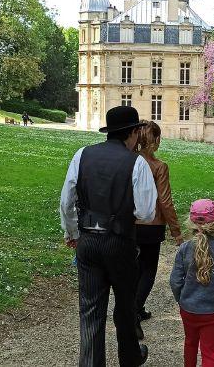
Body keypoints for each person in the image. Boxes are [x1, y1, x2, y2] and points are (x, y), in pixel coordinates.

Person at [59, 106, 154, 367]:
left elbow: (66, 201)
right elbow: (146, 212)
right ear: (133, 132)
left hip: (88, 241)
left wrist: (73, 233)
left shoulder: (82, 155)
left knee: (90, 311)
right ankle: (130, 359)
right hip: (119, 242)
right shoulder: (137, 163)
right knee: (125, 306)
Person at [170, 199, 214, 367]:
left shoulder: (184, 249)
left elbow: (175, 281)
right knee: (210, 352)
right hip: (213, 311)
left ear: (191, 222)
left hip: (189, 308)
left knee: (190, 344)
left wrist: (182, 299)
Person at [134, 121, 183, 339]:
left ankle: (136, 308)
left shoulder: (130, 162)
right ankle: (133, 312)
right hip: (151, 225)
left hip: (129, 222)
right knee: (148, 271)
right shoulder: (158, 166)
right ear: (155, 140)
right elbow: (165, 200)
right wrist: (176, 230)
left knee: (134, 269)